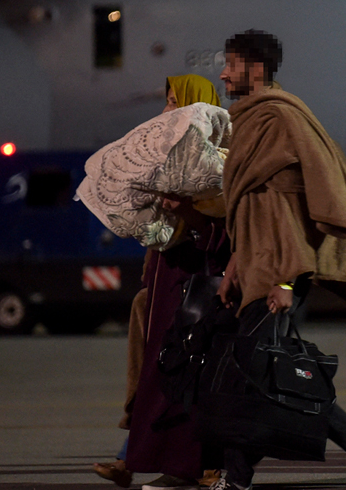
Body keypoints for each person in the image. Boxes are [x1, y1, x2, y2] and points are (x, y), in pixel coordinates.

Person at [213, 30, 346, 490]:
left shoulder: (281, 118)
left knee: (262, 372)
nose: (223, 72)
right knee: (259, 373)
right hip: (259, 264)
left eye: (231, 64)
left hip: (283, 268)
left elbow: (302, 204)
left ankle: (241, 475)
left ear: (255, 69)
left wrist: (287, 280)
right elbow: (252, 203)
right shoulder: (250, 117)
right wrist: (235, 264)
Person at [93, 75, 227, 490]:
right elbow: (159, 239)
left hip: (196, 286)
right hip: (167, 284)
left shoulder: (218, 163)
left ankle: (190, 465)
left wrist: (185, 209)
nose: (167, 111)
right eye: (167, 102)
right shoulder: (166, 162)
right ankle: (137, 459)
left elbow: (218, 237)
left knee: (186, 377)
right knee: (160, 376)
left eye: (175, 102)